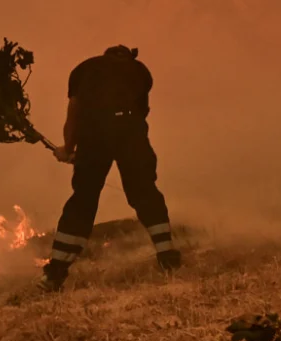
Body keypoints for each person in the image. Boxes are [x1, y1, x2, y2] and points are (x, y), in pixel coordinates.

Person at [42, 45, 181, 291]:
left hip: (94, 134)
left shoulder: (84, 69)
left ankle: (56, 271)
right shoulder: (139, 70)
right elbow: (141, 113)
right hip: (131, 132)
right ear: (127, 56)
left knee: (83, 200)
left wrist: (69, 148)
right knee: (144, 191)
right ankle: (167, 256)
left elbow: (74, 111)